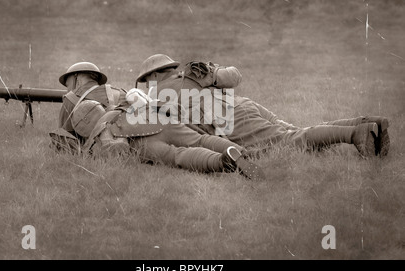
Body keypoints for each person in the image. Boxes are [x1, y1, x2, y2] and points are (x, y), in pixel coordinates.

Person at [135, 54, 390, 158]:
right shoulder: (191, 75)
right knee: (297, 132)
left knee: (289, 140)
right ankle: (369, 122)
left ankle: (355, 134)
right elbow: (234, 76)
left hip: (229, 118)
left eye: (146, 81)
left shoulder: (159, 94)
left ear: (154, 76)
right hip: (242, 105)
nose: (147, 86)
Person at [51, 61, 265, 180]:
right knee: (200, 140)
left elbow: (67, 139)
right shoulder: (116, 90)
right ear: (94, 77)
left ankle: (223, 162)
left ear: (76, 78)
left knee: (178, 155)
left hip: (132, 135)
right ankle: (242, 152)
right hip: (157, 115)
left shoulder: (71, 101)